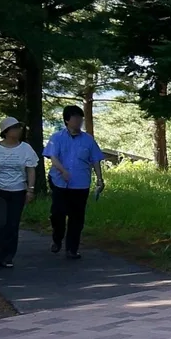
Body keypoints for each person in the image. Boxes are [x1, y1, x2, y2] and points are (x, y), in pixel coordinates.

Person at [43, 104, 105, 260]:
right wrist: (63, 171)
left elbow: (96, 159)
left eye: (80, 118)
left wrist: (99, 179)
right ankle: (57, 238)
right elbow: (52, 156)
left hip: (80, 183)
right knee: (57, 213)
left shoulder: (88, 139)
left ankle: (72, 248)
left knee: (77, 217)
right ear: (67, 120)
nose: (78, 122)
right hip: (59, 182)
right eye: (75, 118)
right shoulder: (56, 137)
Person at [0, 116, 38, 270]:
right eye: (15, 127)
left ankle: (7, 256)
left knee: (12, 225)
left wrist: (30, 190)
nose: (18, 130)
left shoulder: (26, 148)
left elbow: (31, 169)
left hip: (18, 191)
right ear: (6, 131)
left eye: (19, 127)